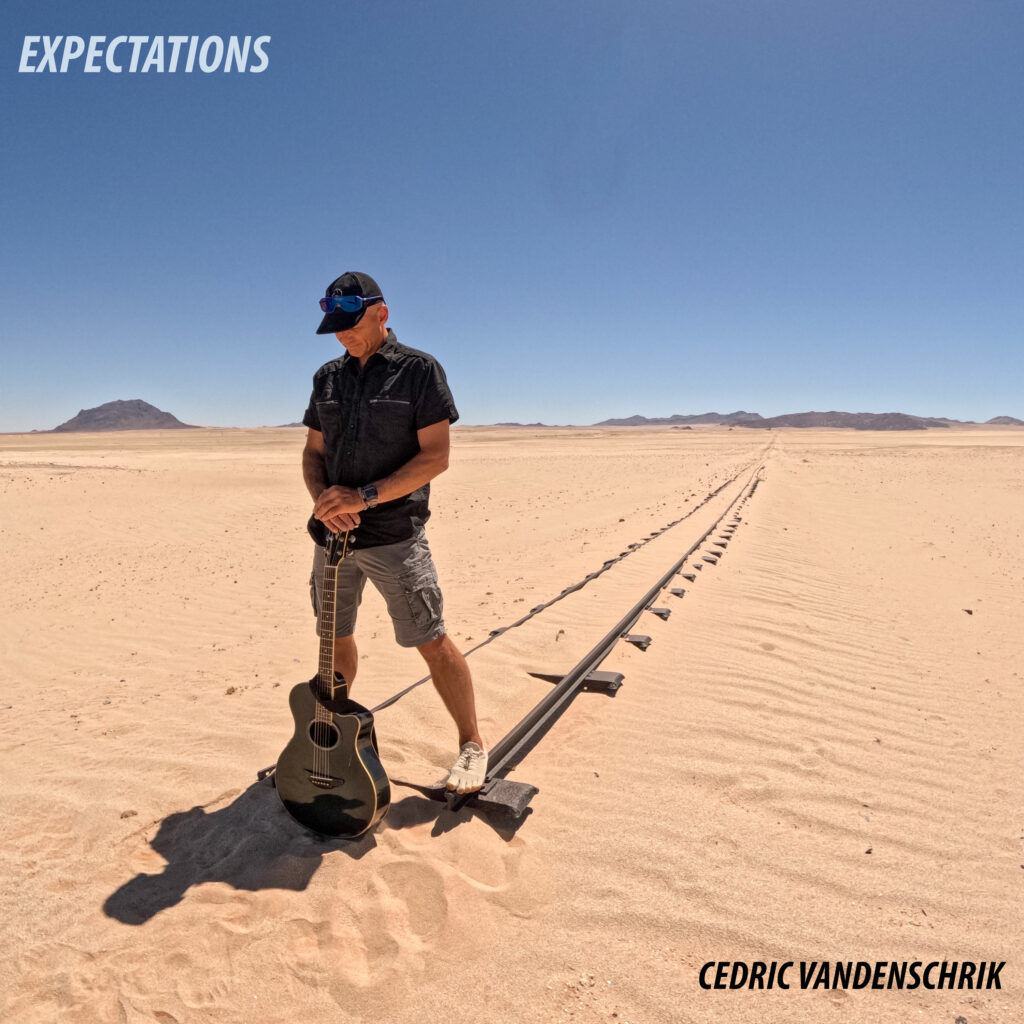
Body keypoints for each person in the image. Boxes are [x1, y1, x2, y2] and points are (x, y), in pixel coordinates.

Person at [301, 271, 487, 794]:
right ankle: (328, 738)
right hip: (332, 540)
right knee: (333, 637)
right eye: (334, 328)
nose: (342, 336)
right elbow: (314, 453)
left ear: (381, 313)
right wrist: (324, 502)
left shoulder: (418, 372)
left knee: (429, 638)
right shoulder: (327, 379)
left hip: (395, 536)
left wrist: (364, 497)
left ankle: (472, 743)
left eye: (350, 324)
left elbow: (436, 457)